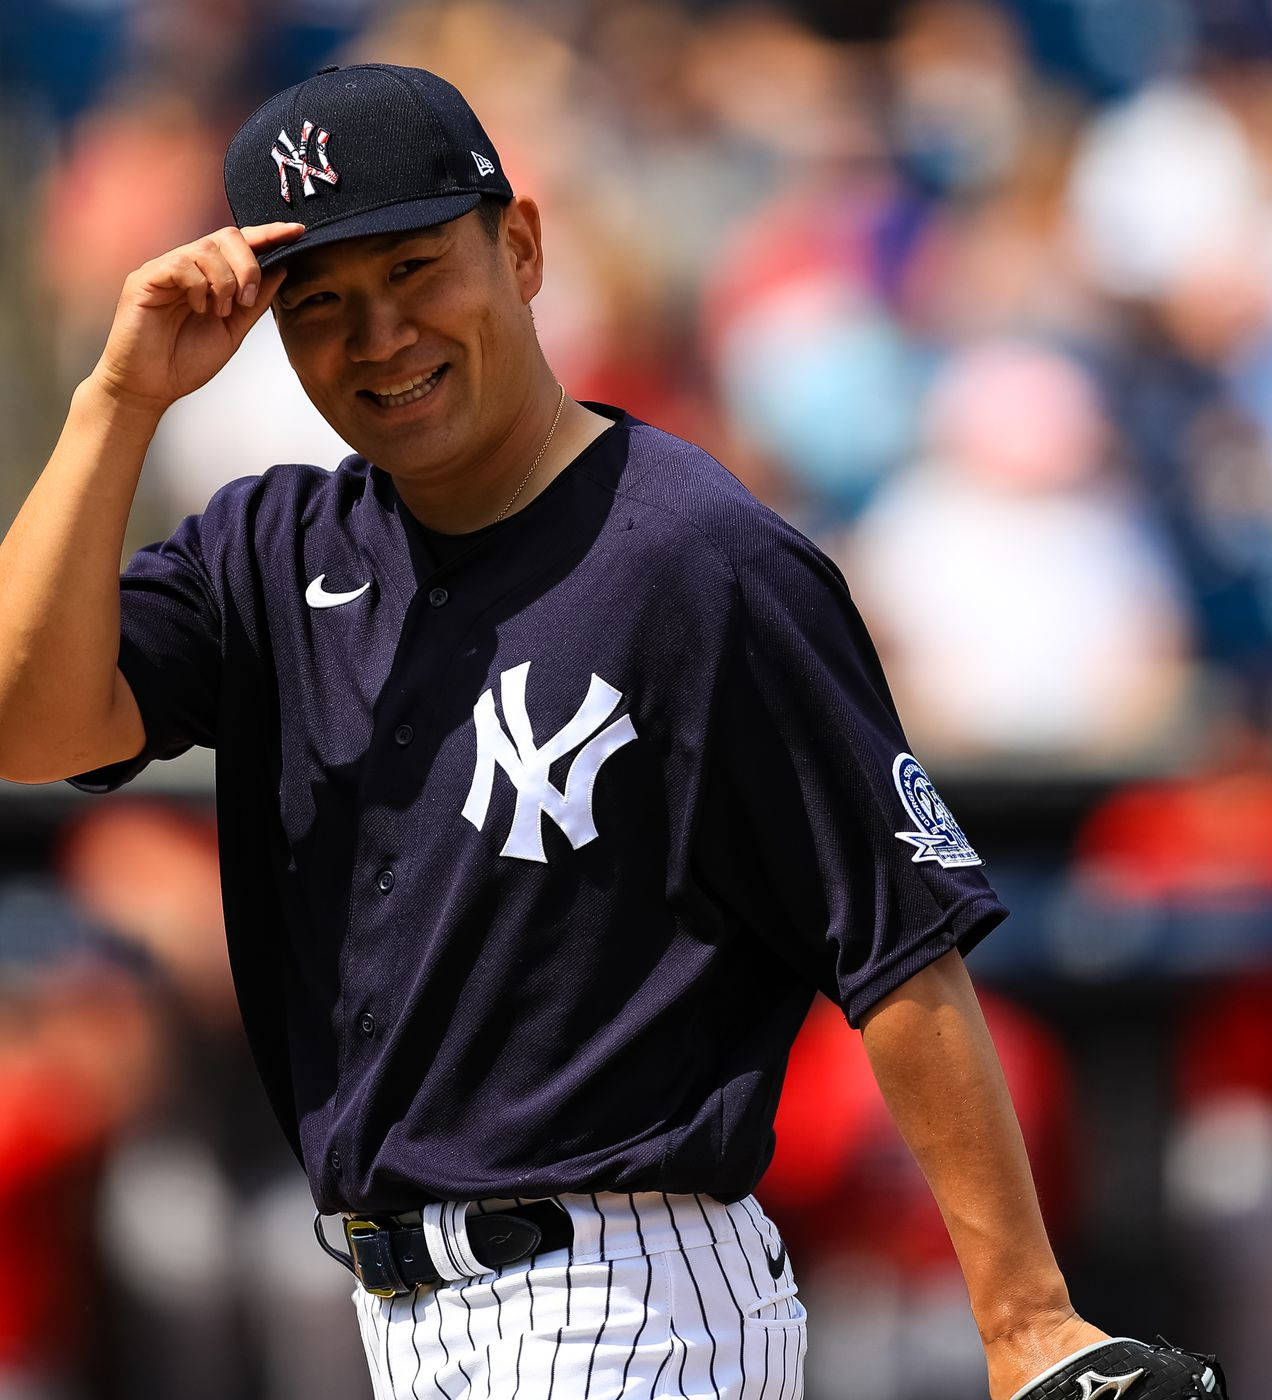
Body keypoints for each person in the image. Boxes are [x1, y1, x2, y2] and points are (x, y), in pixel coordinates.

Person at [0, 63, 1119, 1400]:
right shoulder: (274, 547)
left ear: (519, 247)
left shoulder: (697, 560)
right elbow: (30, 727)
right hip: (396, 1314)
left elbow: (897, 946)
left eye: (415, 270)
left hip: (629, 1296)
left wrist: (1030, 1325)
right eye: (323, 307)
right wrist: (115, 403)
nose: (380, 337)